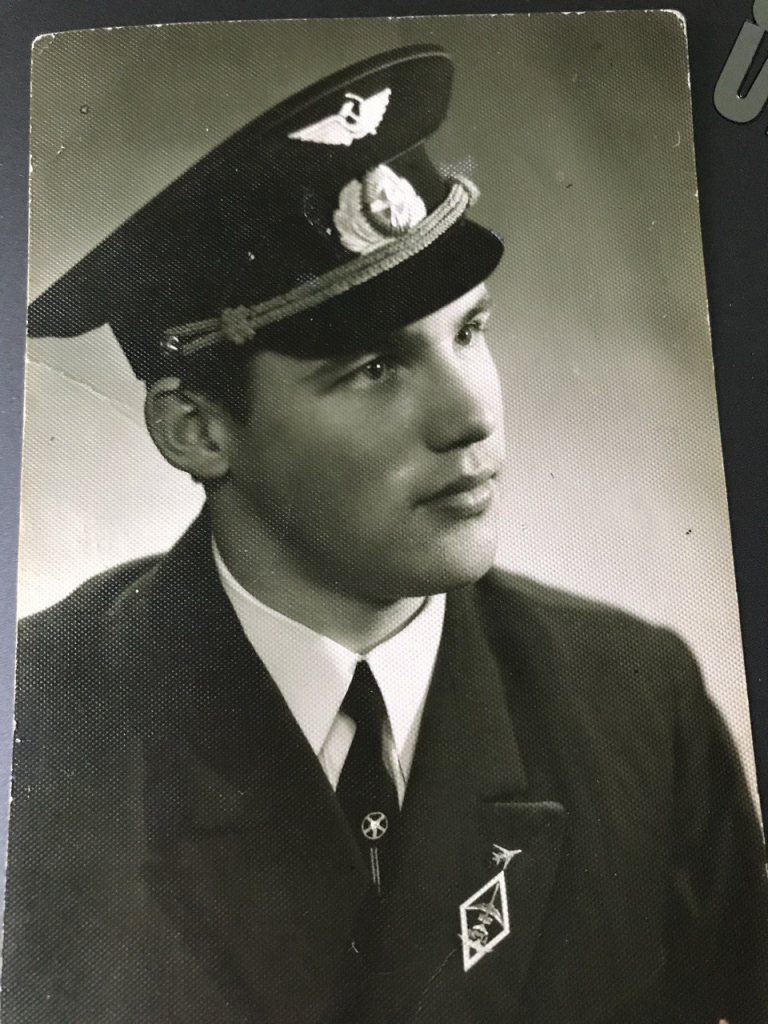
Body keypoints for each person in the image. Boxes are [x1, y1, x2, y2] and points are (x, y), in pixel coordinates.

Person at [3, 43, 767, 1024]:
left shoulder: (637, 707)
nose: (470, 417)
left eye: (469, 331)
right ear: (196, 428)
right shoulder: (39, 727)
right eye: (373, 368)